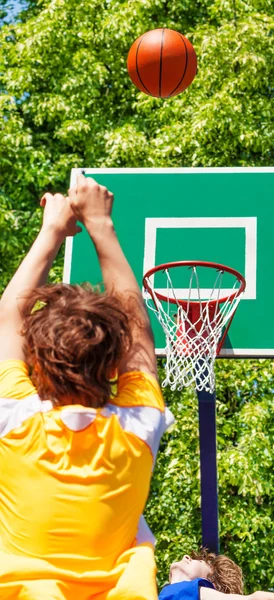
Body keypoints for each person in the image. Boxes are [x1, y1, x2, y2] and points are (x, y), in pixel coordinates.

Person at [0, 175, 173, 599]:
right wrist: (101, 225)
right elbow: (138, 329)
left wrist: (52, 231)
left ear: (35, 364)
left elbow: (8, 315)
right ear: (114, 363)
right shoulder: (135, 428)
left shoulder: (16, 422)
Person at [159, 551, 274, 600]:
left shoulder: (190, 591)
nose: (186, 557)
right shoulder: (156, 594)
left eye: (200, 561)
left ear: (207, 581)